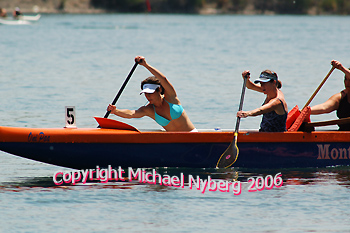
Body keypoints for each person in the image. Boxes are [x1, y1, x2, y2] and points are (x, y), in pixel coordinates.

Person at [107, 56, 197, 132]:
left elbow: (163, 79)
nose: (148, 96)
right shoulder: (149, 110)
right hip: (176, 142)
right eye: (145, 93)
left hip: (194, 137)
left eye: (150, 92)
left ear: (159, 90)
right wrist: (115, 111)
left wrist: (145, 65)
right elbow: (131, 113)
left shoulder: (171, 98)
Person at [310, 60, 350, 131]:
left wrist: (342, 68)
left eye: (349, 79)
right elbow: (324, 107)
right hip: (343, 134)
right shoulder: (340, 97)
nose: (347, 83)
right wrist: (305, 111)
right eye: (345, 79)